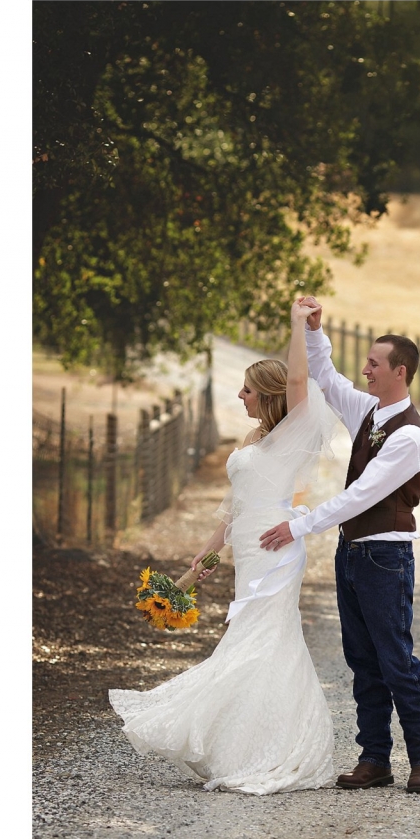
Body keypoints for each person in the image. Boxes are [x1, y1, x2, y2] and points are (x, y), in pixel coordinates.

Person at [109, 301, 338, 795]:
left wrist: (299, 325)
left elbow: (300, 382)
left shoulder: (292, 435)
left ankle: (264, 748)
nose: (240, 394)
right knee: (253, 637)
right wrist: (206, 556)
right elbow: (235, 505)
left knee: (265, 637)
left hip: (276, 548)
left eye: (248, 389)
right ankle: (243, 741)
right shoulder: (255, 436)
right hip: (248, 549)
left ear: (271, 395)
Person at [259, 297, 420, 794]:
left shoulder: (410, 439)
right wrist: (315, 332)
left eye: (374, 365)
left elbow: (360, 496)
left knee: (396, 661)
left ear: (399, 372)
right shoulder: (370, 412)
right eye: (366, 362)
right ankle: (374, 759)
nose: (365, 371)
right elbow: (327, 378)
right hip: (352, 553)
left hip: (385, 556)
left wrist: (297, 527)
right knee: (362, 660)